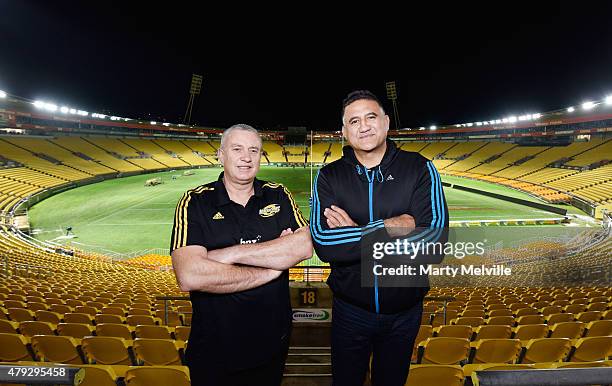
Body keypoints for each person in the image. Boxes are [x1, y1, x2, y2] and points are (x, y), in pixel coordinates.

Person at [310, 90, 449, 386]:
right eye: (354, 121)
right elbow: (324, 244)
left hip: (405, 312)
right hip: (350, 311)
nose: (364, 126)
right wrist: (394, 225)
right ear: (344, 132)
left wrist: (355, 232)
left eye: (371, 117)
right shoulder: (329, 176)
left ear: (386, 122)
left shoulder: (420, 168)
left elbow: (435, 242)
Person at [170, 123, 312, 386]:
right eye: (237, 149)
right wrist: (272, 267)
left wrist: (227, 254)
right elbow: (189, 275)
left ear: (260, 156)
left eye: (254, 150)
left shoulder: (278, 194)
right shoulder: (194, 201)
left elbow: (303, 246)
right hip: (213, 351)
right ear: (221, 154)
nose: (246, 157)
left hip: (271, 345)